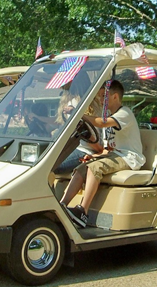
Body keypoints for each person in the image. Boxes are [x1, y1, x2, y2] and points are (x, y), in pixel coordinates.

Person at [60, 80, 146, 227]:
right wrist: (93, 156)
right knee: (82, 167)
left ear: (115, 97)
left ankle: (82, 212)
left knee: (95, 167)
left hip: (129, 157)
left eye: (104, 96)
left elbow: (100, 123)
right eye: (100, 96)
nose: (100, 100)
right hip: (115, 155)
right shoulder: (109, 116)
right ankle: (61, 205)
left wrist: (78, 113)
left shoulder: (124, 113)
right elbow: (108, 149)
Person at [54, 86, 105, 174]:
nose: (62, 88)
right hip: (89, 147)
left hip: (83, 150)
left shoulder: (72, 104)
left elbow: (83, 132)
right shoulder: (93, 102)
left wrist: (99, 150)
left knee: (50, 167)